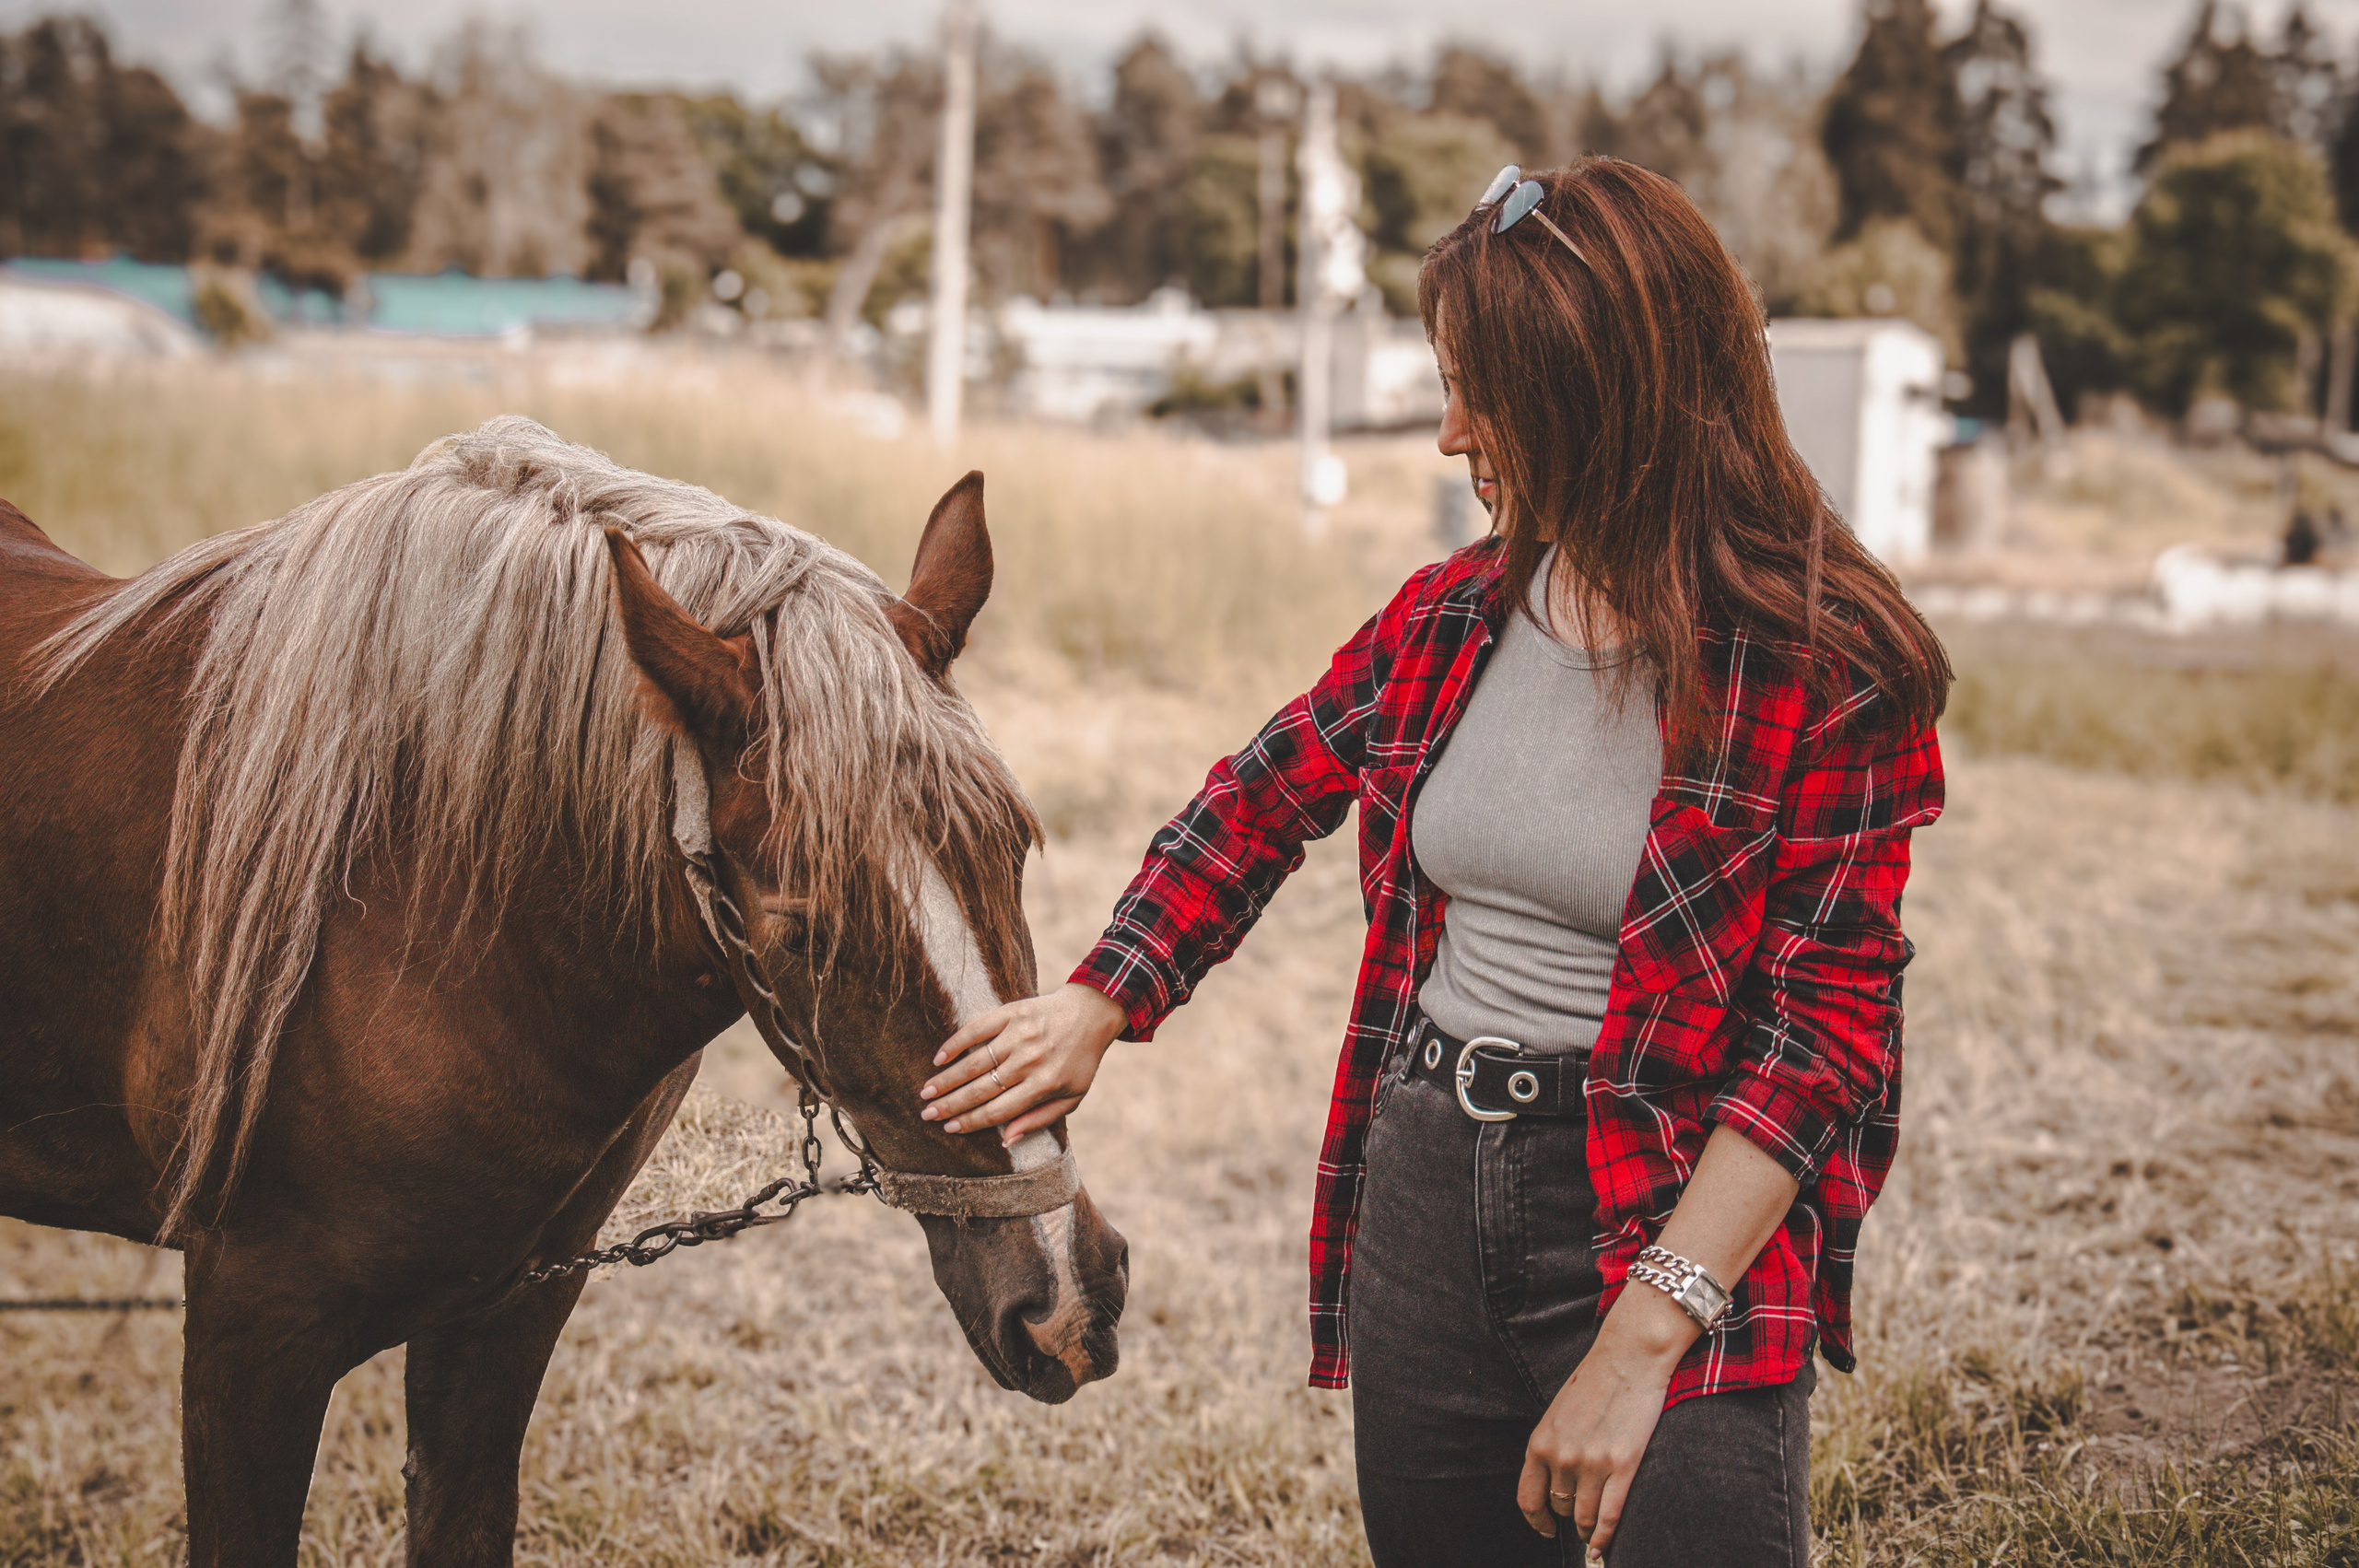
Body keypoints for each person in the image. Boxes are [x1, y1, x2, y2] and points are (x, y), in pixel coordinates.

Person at [920, 158, 1950, 1566]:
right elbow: (1262, 794)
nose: (1452, 427)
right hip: (1426, 1191)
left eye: (1483, 388)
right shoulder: (1451, 615)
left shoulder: (1830, 666)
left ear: (1602, 395)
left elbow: (1819, 1038)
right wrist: (1104, 997)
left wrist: (1643, 1337)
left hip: (1665, 1202)